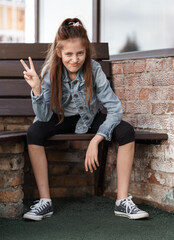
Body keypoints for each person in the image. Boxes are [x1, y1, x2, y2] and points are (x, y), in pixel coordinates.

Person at [20, 18, 149, 221]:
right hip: (59, 118)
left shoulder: (94, 69)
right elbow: (44, 117)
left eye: (80, 53)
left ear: (86, 51)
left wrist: (97, 139)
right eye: (69, 54)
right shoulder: (49, 72)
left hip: (89, 118)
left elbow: (115, 108)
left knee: (126, 131)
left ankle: (122, 201)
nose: (75, 59)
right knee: (34, 132)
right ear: (59, 53)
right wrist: (36, 89)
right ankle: (45, 202)